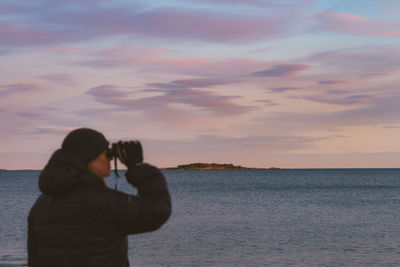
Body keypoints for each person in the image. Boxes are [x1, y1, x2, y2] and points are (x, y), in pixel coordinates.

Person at [27, 128, 171, 267]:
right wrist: (137, 166)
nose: (111, 159)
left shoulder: (41, 204)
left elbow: (34, 259)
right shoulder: (101, 201)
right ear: (90, 157)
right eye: (108, 154)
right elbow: (157, 210)